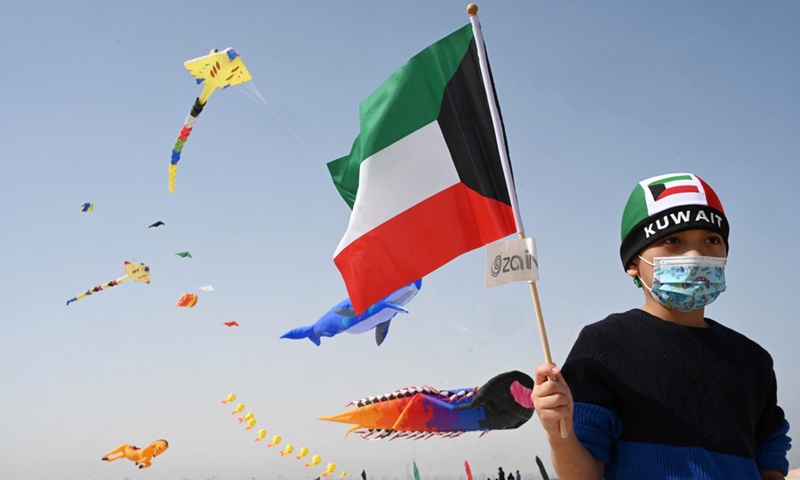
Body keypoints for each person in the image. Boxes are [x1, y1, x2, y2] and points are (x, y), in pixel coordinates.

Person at [531, 173, 791, 479]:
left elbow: (770, 462)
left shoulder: (754, 360)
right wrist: (558, 432)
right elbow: (585, 474)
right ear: (633, 263)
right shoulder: (604, 345)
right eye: (672, 240)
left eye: (711, 240)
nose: (695, 256)